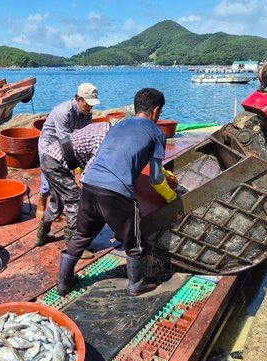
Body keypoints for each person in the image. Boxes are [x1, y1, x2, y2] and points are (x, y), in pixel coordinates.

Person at [57, 87, 178, 297]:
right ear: (156, 111)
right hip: (115, 193)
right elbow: (157, 177)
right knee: (134, 243)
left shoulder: (119, 125)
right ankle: (136, 286)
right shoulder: (156, 132)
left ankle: (63, 285)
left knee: (82, 236)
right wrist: (172, 198)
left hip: (89, 185)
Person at [35, 121, 111, 259]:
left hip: (50, 158)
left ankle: (41, 236)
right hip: (56, 162)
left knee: (57, 199)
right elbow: (88, 174)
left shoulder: (103, 126)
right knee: (75, 200)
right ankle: (72, 247)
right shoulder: (104, 141)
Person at [36, 82, 100, 220]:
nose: (90, 107)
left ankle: (60, 207)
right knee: (51, 179)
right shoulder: (63, 112)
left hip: (68, 142)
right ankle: (41, 200)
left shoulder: (87, 113)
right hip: (50, 144)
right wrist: (76, 167)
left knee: (67, 178)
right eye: (87, 103)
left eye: (92, 104)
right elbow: (65, 142)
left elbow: (86, 135)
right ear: (79, 99)